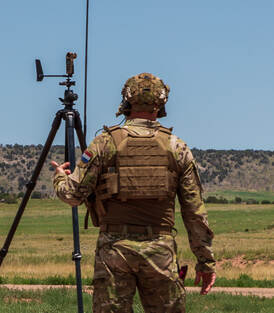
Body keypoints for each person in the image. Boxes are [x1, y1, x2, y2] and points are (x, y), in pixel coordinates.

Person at [51, 73, 216, 313]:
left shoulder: (105, 143)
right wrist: (205, 261)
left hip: (115, 249)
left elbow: (72, 195)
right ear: (161, 104)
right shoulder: (177, 147)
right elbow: (195, 212)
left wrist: (59, 177)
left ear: (126, 101)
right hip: (161, 252)